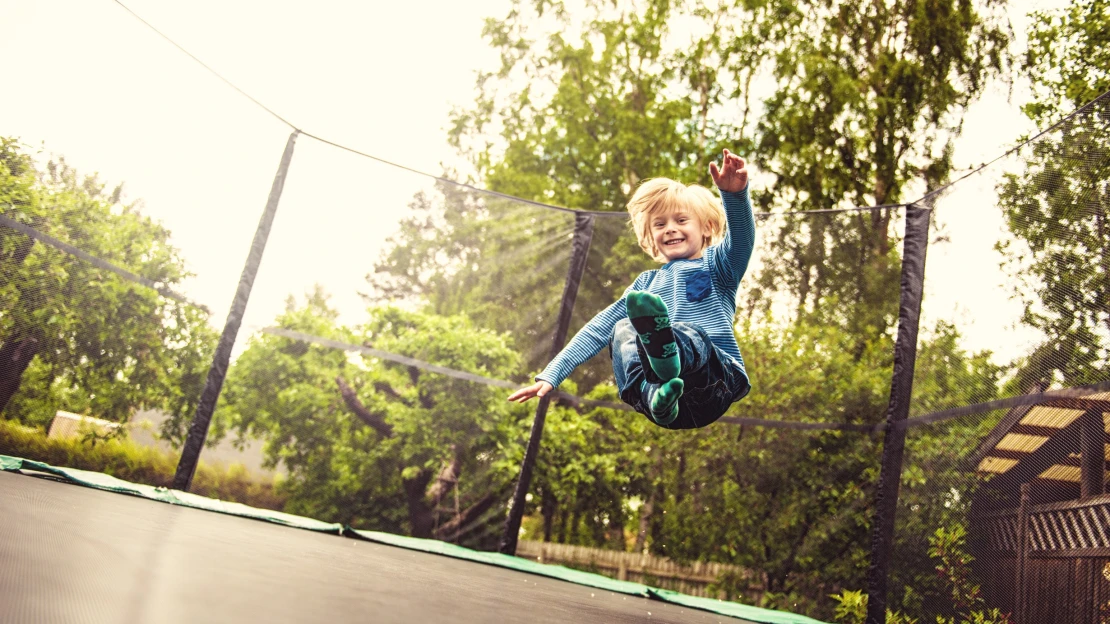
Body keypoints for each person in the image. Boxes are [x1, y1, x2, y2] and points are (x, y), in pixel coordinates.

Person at [508, 149, 755, 429]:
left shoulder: (718, 266)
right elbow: (597, 328)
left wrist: (735, 195)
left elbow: (742, 241)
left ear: (707, 227)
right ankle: (655, 394)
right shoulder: (645, 287)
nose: (670, 229)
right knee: (621, 328)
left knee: (691, 334)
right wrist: (552, 374)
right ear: (650, 236)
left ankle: (669, 358)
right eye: (660, 224)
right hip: (671, 403)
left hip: (713, 383)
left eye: (681, 220)